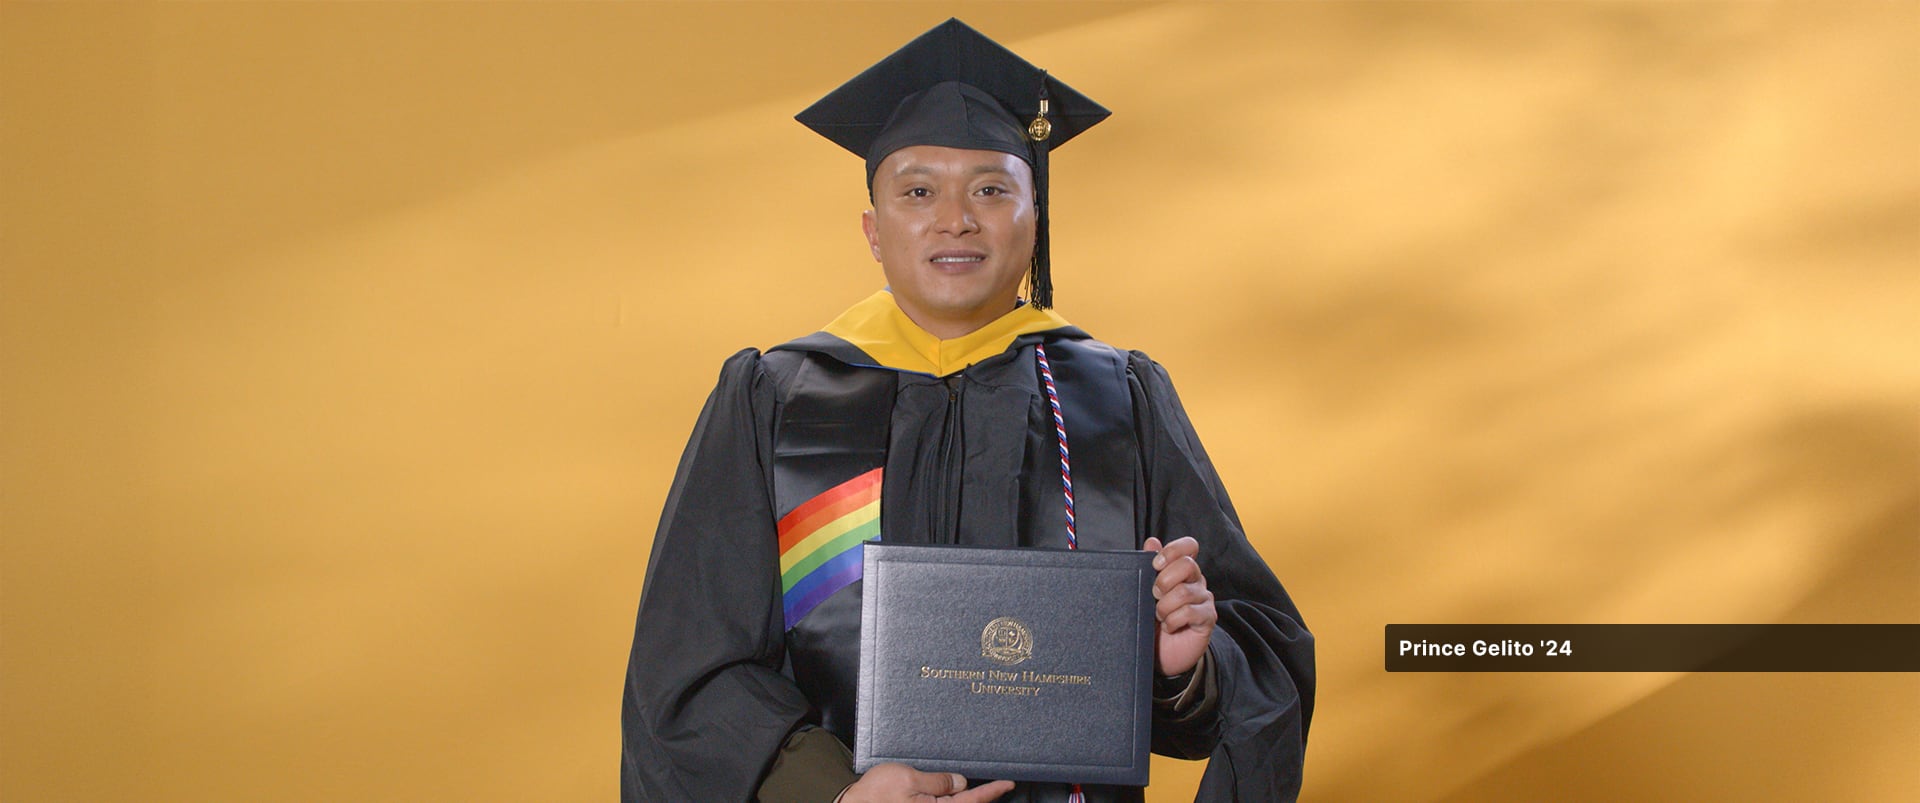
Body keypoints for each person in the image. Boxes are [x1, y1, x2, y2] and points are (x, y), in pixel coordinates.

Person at [621, 19, 1313, 803]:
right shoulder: (775, 401)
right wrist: (834, 791)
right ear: (873, 232)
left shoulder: (1118, 399)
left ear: (1034, 219)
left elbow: (1264, 657)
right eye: (919, 191)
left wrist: (1185, 664)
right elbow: (686, 675)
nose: (956, 218)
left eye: (991, 189)